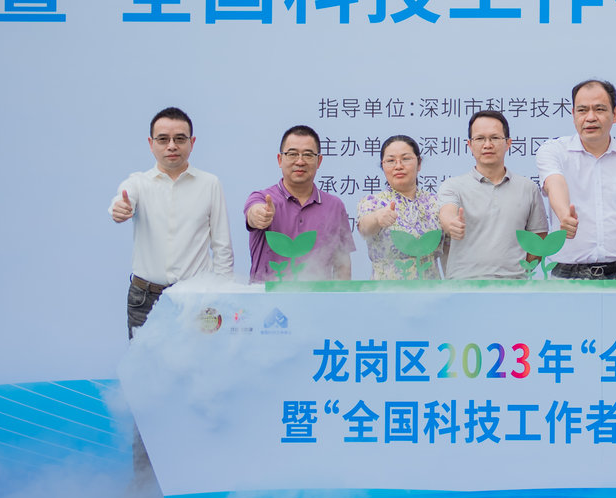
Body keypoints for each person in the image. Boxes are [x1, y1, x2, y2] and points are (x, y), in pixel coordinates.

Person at [109, 106, 233, 338]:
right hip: (145, 298)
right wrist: (119, 208)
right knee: (144, 360)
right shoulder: (137, 184)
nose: (172, 146)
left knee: (200, 359)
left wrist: (222, 295)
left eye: (180, 139)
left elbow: (222, 246)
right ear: (151, 143)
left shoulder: (210, 184)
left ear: (192, 142)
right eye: (163, 139)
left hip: (197, 298)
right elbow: (123, 199)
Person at [536, 78, 616, 280]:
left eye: (599, 109)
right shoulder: (554, 151)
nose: (590, 117)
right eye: (582, 110)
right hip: (568, 277)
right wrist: (564, 214)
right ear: (573, 114)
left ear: (615, 114)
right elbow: (554, 183)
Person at [437, 109, 549, 280]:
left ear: (508, 143)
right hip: (464, 284)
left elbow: (538, 236)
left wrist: (517, 271)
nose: (487, 145)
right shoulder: (453, 186)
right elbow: (447, 212)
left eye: (495, 138)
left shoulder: (528, 188)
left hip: (513, 285)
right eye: (480, 138)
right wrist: (451, 224)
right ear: (469, 145)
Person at [244, 124, 354, 283]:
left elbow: (342, 263)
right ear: (280, 159)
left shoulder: (334, 206)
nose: (300, 161)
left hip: (318, 296)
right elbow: (253, 213)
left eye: (308, 155)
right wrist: (259, 215)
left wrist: (342, 294)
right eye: (292, 154)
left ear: (319, 161)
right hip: (266, 295)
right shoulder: (262, 198)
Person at [357, 134, 447, 279]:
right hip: (385, 289)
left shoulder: (437, 202)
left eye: (406, 159)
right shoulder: (372, 202)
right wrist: (376, 218)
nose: (398, 166)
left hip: (431, 289)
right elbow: (364, 228)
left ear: (419, 163)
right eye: (390, 161)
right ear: (382, 166)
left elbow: (448, 251)